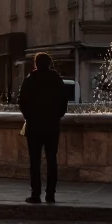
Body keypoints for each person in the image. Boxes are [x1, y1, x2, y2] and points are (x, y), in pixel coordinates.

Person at [18, 52, 69, 204]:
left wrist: (30, 117)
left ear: (35, 64)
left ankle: (35, 194)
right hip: (52, 126)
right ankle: (50, 194)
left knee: (35, 161)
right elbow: (64, 102)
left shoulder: (30, 80)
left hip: (34, 126)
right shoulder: (57, 80)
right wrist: (56, 116)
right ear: (49, 64)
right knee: (52, 160)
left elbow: (22, 103)